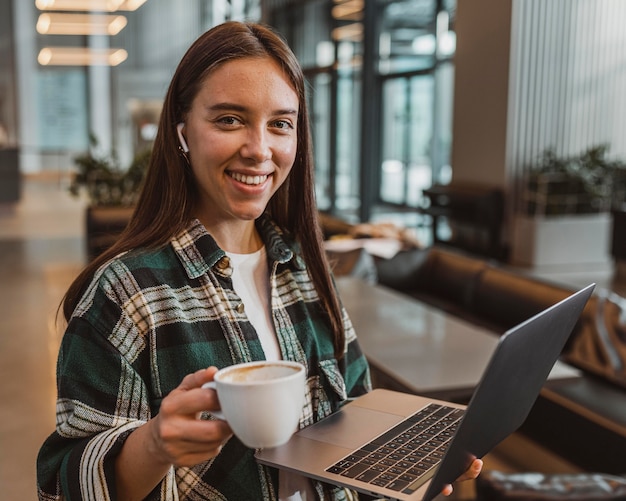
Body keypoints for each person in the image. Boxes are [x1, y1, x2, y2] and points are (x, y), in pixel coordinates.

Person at [36, 21, 482, 501]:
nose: (259, 149)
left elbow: (354, 424)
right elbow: (62, 484)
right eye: (229, 119)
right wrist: (153, 445)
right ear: (182, 132)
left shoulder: (306, 275)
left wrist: (405, 480)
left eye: (280, 124)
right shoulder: (124, 293)